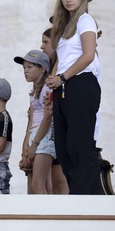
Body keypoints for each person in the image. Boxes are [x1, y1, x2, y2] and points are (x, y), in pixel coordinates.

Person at [45, 0, 101, 195]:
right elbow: (61, 59)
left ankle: (89, 196)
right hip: (64, 86)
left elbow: (88, 56)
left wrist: (63, 77)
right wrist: (53, 79)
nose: (68, 0)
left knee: (80, 144)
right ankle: (77, 193)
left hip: (80, 83)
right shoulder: (64, 25)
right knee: (64, 147)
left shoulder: (85, 20)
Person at [14, 50, 55, 194]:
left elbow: (48, 118)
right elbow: (30, 122)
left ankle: (46, 216)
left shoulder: (47, 89)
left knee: (37, 185)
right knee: (46, 185)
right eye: (24, 68)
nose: (25, 71)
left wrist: (34, 145)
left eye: (30, 67)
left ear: (42, 69)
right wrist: (25, 149)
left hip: (44, 135)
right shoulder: (34, 93)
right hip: (35, 135)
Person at [40, 28, 70, 194]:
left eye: (46, 42)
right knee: (49, 185)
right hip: (48, 131)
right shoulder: (50, 68)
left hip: (57, 129)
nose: (42, 46)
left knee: (59, 183)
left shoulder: (64, 67)